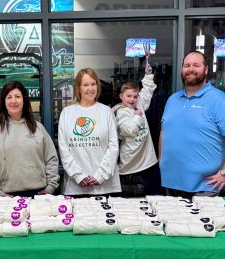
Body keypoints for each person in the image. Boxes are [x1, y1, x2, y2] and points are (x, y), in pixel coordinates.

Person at [159, 51, 225, 198]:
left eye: (196, 65)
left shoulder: (219, 101)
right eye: (186, 65)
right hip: (170, 184)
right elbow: (164, 133)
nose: (190, 69)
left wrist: (224, 173)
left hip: (205, 188)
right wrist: (161, 163)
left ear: (206, 69)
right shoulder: (172, 100)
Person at [0, 81, 60, 197]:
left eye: (17, 96)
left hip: (39, 193)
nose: (13, 101)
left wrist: (51, 187)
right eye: (9, 97)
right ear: (4, 101)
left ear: (24, 100)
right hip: (6, 196)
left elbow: (51, 158)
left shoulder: (38, 128)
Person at [58, 68, 121, 196]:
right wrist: (78, 176)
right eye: (85, 85)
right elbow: (63, 149)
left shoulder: (106, 112)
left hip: (105, 187)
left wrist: (100, 175)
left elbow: (113, 147)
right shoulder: (67, 113)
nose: (90, 88)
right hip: (75, 187)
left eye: (93, 84)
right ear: (78, 88)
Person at [112, 66, 158, 197]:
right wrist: (137, 116)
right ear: (121, 96)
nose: (132, 99)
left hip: (147, 161)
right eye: (128, 96)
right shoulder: (121, 112)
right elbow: (130, 130)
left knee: (150, 196)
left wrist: (148, 74)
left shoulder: (138, 105)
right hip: (130, 164)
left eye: (135, 96)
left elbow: (147, 91)